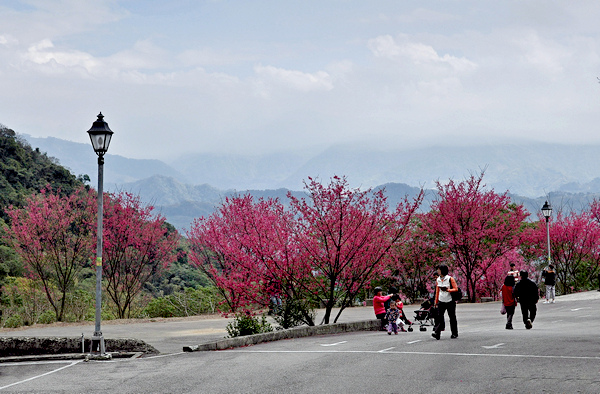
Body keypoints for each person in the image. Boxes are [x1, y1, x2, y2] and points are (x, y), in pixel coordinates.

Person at [432, 264, 459, 340]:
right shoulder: (438, 280)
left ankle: (454, 333)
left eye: (439, 270)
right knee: (439, 317)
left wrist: (448, 290)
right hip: (441, 300)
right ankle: (437, 333)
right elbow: (437, 291)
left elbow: (456, 289)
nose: (438, 271)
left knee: (452, 317)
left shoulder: (450, 279)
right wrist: (436, 301)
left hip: (450, 300)